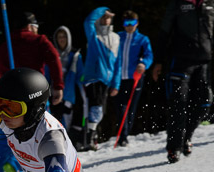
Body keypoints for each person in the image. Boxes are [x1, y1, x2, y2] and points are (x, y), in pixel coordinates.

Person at [0, 11, 64, 172]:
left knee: (2, 142)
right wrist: (58, 86)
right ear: (31, 26)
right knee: (37, 139)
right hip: (34, 99)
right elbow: (54, 60)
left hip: (7, 102)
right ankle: (16, 165)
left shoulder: (7, 45)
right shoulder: (39, 40)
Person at [151, 0, 214, 164]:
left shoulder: (212, 4)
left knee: (204, 103)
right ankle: (174, 147)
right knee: (179, 103)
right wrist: (158, 61)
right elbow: (164, 32)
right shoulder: (178, 4)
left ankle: (186, 136)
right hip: (180, 61)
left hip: (204, 62)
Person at [81, 7, 122, 150]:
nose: (105, 19)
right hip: (93, 77)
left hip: (107, 80)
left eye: (108, 17)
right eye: (103, 17)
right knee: (96, 107)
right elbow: (88, 21)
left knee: (100, 110)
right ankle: (90, 137)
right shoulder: (94, 35)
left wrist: (116, 84)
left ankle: (93, 135)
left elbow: (118, 63)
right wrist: (103, 9)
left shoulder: (116, 38)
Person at [114, 11, 153, 147]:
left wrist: (143, 64)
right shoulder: (118, 37)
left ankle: (124, 135)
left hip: (134, 78)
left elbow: (149, 55)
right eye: (127, 23)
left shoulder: (142, 39)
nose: (130, 26)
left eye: (132, 23)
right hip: (119, 78)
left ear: (137, 24)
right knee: (120, 107)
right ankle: (122, 135)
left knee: (130, 107)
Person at [51, 26, 86, 149]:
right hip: (53, 94)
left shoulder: (75, 56)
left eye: (64, 36)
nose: (62, 39)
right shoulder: (52, 55)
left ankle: (67, 148)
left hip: (69, 96)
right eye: (59, 37)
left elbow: (81, 76)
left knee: (66, 122)